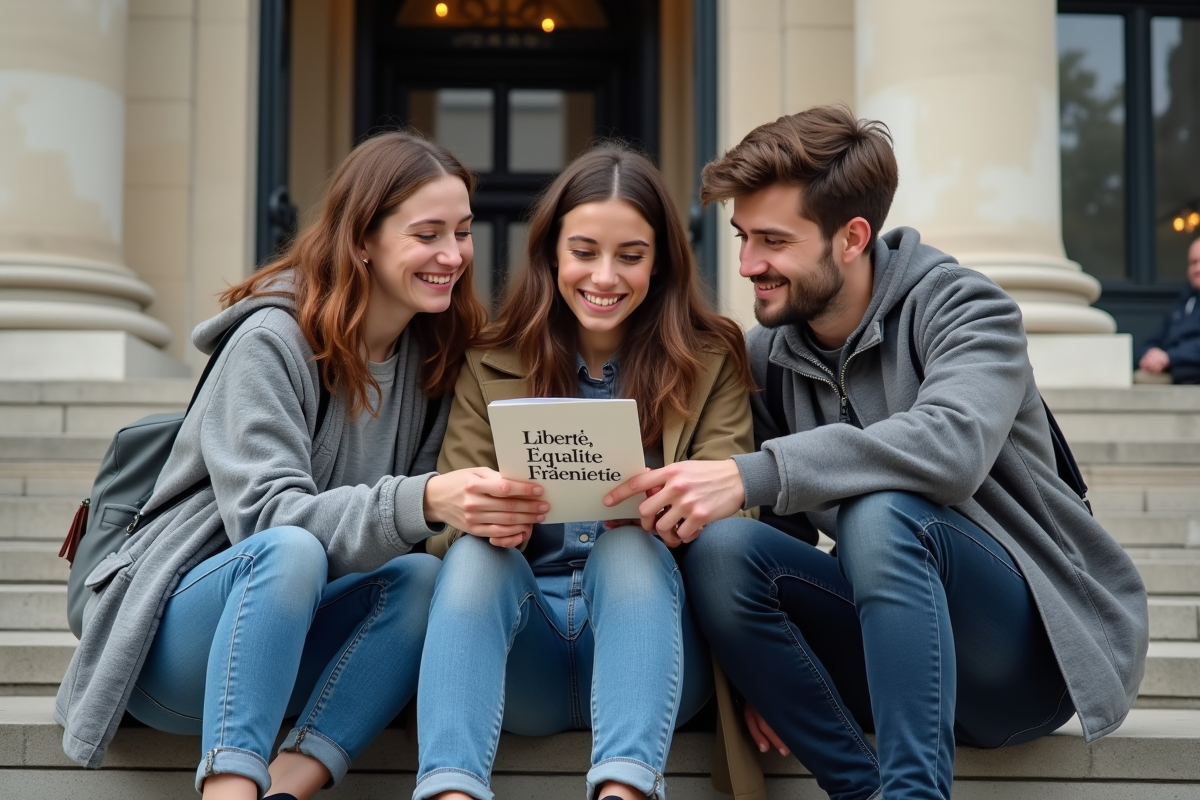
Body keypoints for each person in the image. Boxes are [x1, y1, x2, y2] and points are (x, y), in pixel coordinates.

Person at [603, 106, 1150, 800]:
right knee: (724, 551)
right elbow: (777, 541)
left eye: (773, 241)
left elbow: (951, 448)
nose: (747, 265)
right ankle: (863, 791)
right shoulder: (770, 354)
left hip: (1026, 658)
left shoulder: (965, 308)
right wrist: (762, 669)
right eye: (743, 238)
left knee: (881, 511)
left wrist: (752, 473)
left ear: (852, 237)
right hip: (892, 650)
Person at [55, 131, 549, 800]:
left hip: (301, 643)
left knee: (425, 579)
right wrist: (428, 498)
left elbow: (417, 530)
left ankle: (288, 785)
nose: (454, 255)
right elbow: (266, 518)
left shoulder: (433, 355)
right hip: (173, 651)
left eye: (462, 232)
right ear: (363, 239)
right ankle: (228, 789)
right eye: (428, 234)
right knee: (287, 549)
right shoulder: (270, 341)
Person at [413, 144, 756, 800]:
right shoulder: (488, 360)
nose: (604, 276)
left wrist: (675, 513)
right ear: (551, 254)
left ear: (659, 263)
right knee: (474, 559)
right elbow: (440, 537)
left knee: (629, 544)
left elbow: (740, 522)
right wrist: (487, 519)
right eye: (583, 251)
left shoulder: (712, 360)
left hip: (650, 646)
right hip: (522, 650)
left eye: (630, 255)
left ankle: (624, 792)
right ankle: (450, 792)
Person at [1135, 235, 1200, 384]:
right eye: (1193, 263)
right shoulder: (1182, 305)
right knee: (1141, 379)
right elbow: (1154, 340)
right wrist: (1151, 355)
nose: (1197, 269)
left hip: (1188, 369)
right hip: (1176, 371)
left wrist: (1169, 357)